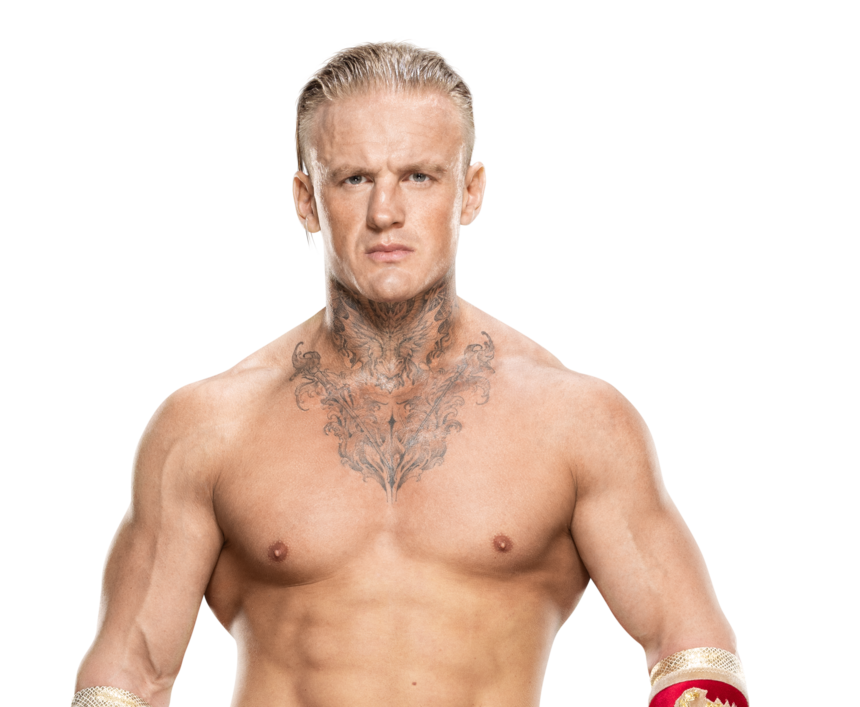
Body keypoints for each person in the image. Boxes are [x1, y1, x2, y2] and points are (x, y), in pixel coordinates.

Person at [72, 38, 748, 707]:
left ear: (471, 192)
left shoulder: (576, 421)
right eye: (355, 178)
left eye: (419, 176)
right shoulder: (206, 427)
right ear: (306, 201)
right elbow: (130, 673)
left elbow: (690, 647)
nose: (385, 213)